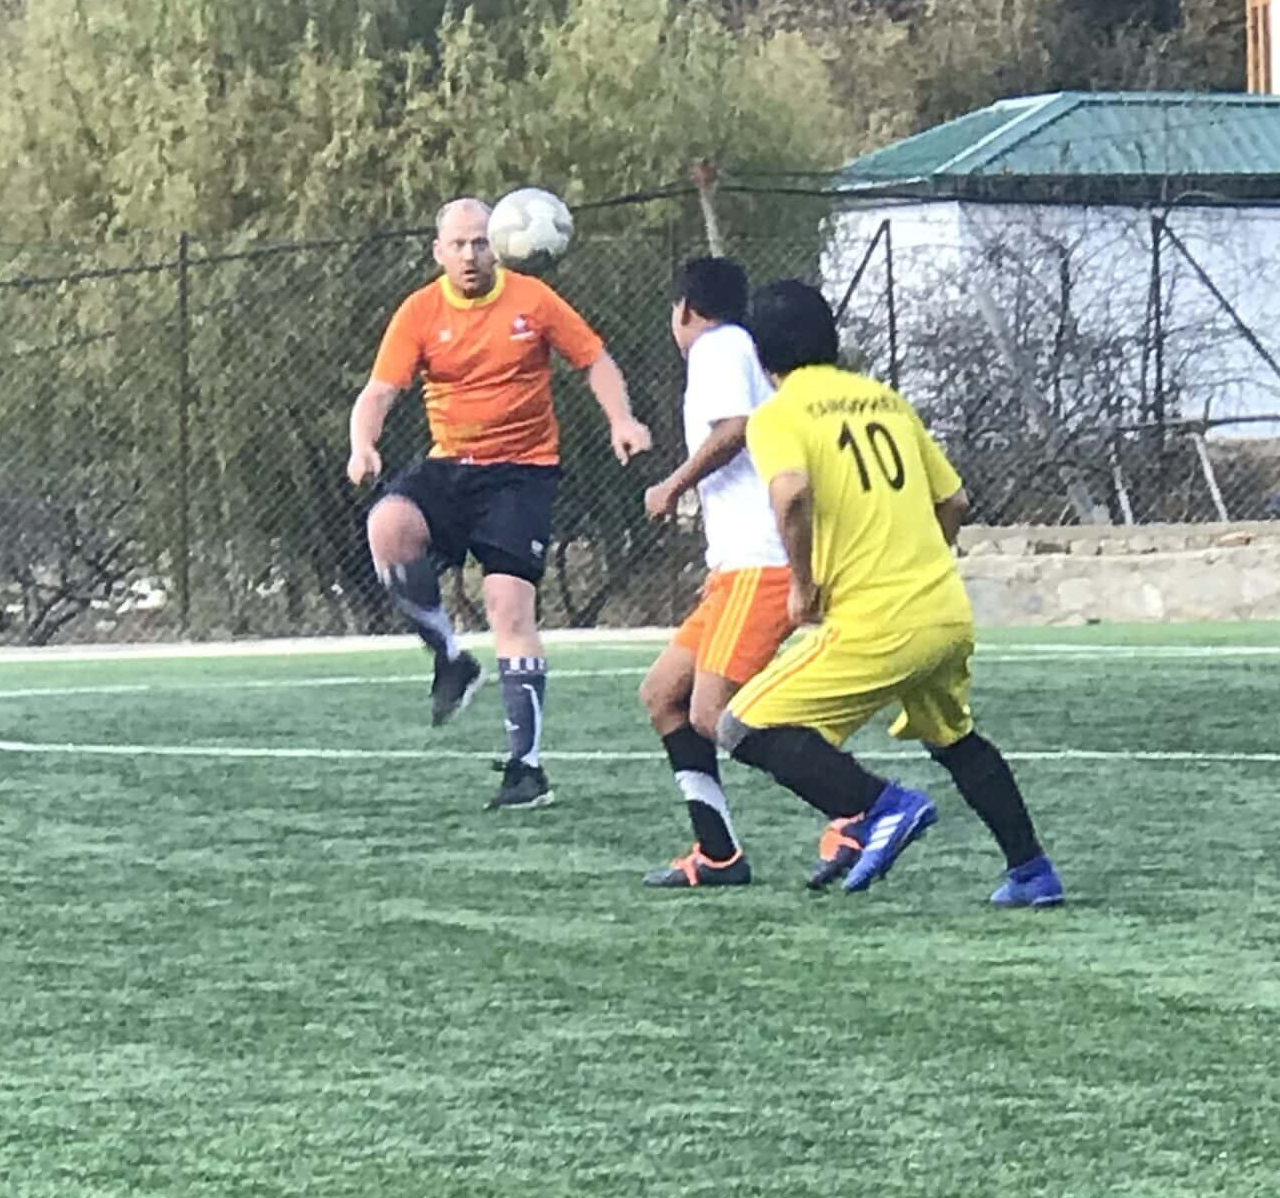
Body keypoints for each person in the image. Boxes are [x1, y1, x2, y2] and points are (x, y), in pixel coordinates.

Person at [717, 279, 1065, 907]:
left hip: (877, 620)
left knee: (743, 724)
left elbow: (791, 492)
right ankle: (1032, 872)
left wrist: (802, 585)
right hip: (943, 609)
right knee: (956, 740)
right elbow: (953, 500)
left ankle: (881, 806)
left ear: (761, 356)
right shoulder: (885, 400)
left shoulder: (778, 415)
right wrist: (921, 563)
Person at [347, 196, 652, 811]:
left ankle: (527, 769)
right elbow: (379, 392)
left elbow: (595, 360)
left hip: (522, 474)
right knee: (388, 526)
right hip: (449, 464)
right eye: (457, 244)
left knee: (508, 607)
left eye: (481, 241)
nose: (469, 254)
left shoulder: (533, 300)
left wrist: (622, 418)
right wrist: (363, 445)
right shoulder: (421, 310)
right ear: (438, 252)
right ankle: (451, 660)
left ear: (502, 244)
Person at [637, 256, 794, 888]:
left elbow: (736, 428)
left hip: (761, 560)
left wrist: (673, 484)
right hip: (737, 564)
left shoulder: (717, 347)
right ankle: (718, 851)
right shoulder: (742, 347)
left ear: (683, 309)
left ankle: (859, 805)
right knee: (663, 696)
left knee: (713, 714)